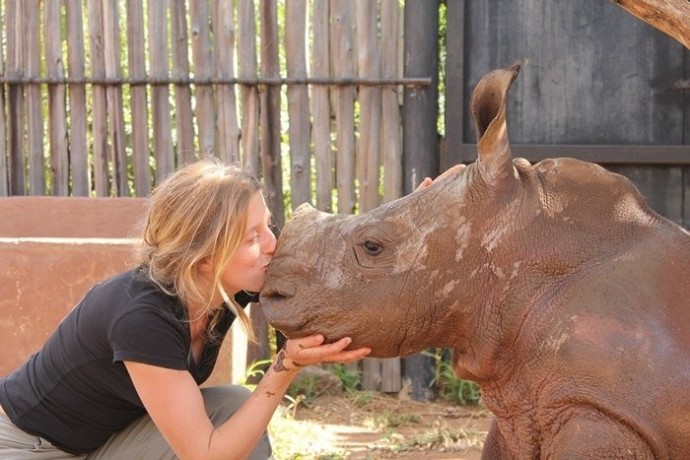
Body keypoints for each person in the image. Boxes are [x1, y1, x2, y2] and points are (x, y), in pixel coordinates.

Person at [0, 157, 371, 459]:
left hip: (104, 440)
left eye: (268, 226)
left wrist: (416, 218)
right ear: (204, 257)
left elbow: (321, 277)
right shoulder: (142, 318)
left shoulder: (223, 285)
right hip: (27, 446)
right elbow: (205, 455)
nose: (272, 244)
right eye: (252, 237)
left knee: (235, 406)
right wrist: (285, 367)